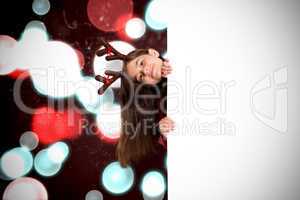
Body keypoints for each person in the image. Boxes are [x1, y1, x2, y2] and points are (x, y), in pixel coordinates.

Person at [95, 40, 174, 167]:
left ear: (153, 52)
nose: (146, 71)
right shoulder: (160, 107)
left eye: (141, 63)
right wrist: (163, 132)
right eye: (141, 76)